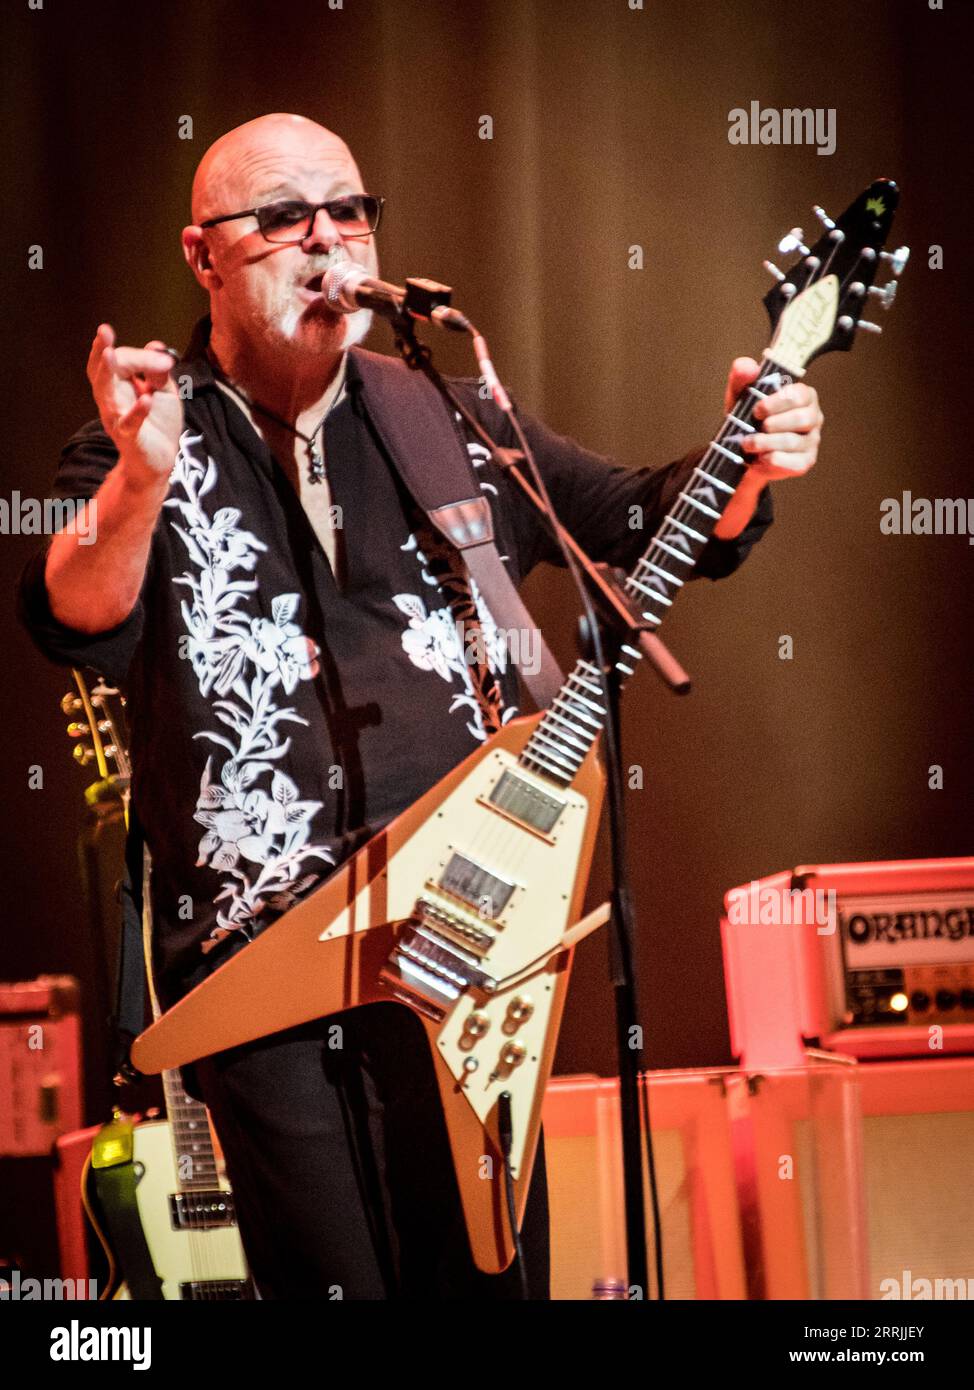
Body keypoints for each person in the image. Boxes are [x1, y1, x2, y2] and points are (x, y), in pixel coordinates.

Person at [18, 113, 823, 1300]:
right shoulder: (141, 438)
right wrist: (142, 479)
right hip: (267, 964)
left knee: (492, 1280)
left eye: (348, 211)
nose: (327, 240)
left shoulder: (438, 415)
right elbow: (74, 617)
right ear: (203, 257)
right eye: (284, 217)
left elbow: (631, 522)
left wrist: (745, 462)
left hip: (469, 945)